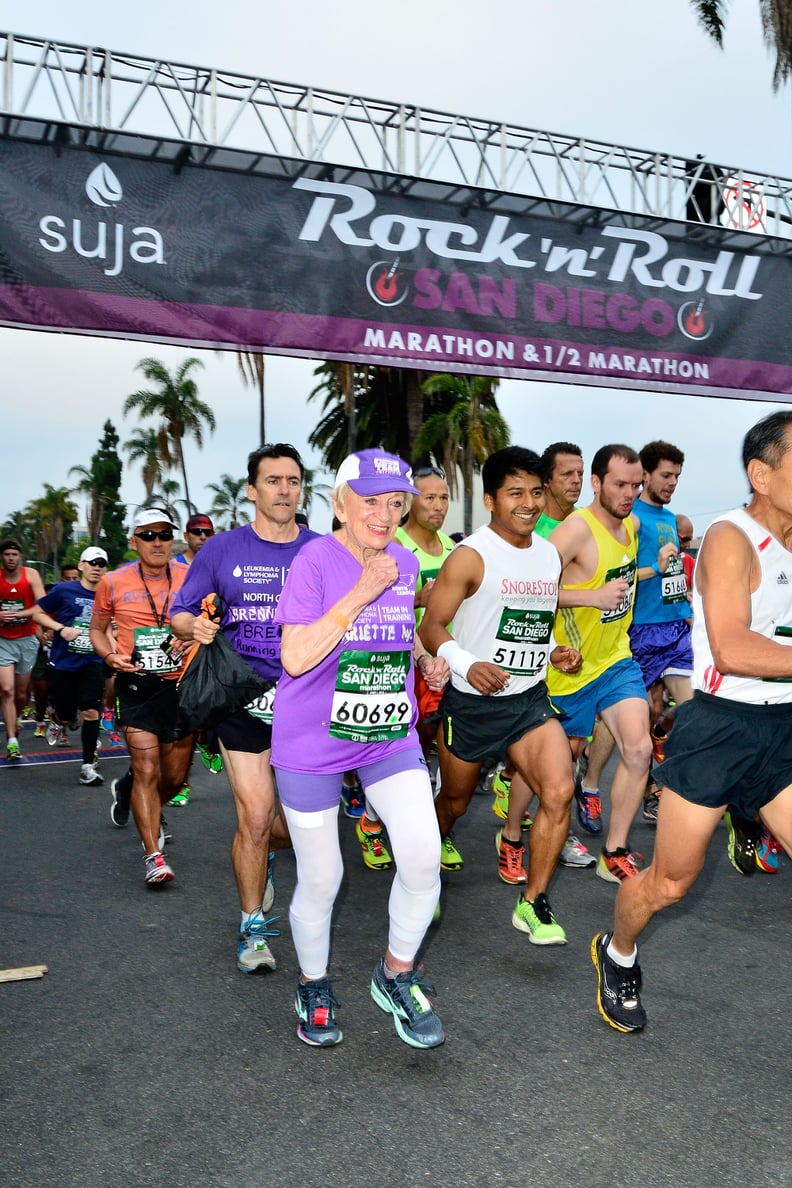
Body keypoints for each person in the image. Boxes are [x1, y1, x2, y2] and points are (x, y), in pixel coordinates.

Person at [592, 410, 792, 1032]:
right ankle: (617, 953)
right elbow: (731, 647)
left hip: (783, 726)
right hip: (720, 727)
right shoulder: (731, 537)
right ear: (762, 474)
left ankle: (749, 825)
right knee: (672, 883)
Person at [270, 448, 447, 1049]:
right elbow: (294, 658)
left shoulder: (403, 559)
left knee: (423, 857)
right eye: (370, 500)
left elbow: (396, 638)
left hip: (384, 733)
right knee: (323, 877)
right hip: (311, 738)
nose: (385, 513)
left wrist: (426, 658)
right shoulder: (314, 561)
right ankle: (313, 984)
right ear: (339, 503)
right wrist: (361, 593)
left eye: (397, 502)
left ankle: (395, 975)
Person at [420, 446, 581, 942]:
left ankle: (533, 903)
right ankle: (422, 873)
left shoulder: (549, 555)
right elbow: (432, 626)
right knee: (454, 803)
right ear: (491, 498)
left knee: (558, 790)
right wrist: (470, 664)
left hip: (528, 701)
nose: (529, 502)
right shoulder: (470, 556)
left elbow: (533, 622)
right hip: (471, 703)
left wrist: (553, 650)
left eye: (536, 491)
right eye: (516, 492)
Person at [171, 444, 317, 974]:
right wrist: (196, 627)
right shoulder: (221, 550)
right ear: (252, 490)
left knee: (291, 827)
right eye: (273, 481)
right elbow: (180, 613)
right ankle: (252, 925)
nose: (284, 490)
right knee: (255, 817)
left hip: (307, 698)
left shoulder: (322, 550)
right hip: (242, 695)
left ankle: (265, 858)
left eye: (293, 481)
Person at [547, 445, 654, 882]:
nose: (630, 493)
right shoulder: (575, 530)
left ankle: (614, 851)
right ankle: (514, 833)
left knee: (640, 748)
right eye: (620, 485)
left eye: (636, 485)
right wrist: (590, 597)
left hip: (615, 660)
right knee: (553, 770)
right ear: (596, 483)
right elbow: (527, 587)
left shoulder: (635, 523)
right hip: (569, 666)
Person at [89, 510, 192, 887]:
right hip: (137, 685)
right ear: (135, 541)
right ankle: (154, 856)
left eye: (164, 534)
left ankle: (133, 793)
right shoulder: (113, 582)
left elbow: (211, 619)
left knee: (176, 779)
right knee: (147, 768)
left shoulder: (189, 576)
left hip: (181, 686)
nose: (157, 542)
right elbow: (98, 630)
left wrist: (194, 635)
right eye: (148, 535)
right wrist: (108, 655)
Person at [31, 547, 110, 784]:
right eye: (93, 562)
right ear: (81, 565)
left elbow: (109, 627)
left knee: (90, 711)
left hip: (92, 661)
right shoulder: (64, 590)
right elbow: (37, 613)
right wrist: (60, 629)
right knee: (66, 714)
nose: (97, 567)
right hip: (64, 662)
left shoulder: (108, 593)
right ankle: (57, 719)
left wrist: (112, 652)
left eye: (102, 563)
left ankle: (88, 766)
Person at [168, 513, 217, 805]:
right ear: (186, 535)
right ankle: (182, 784)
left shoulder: (215, 565)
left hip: (206, 647)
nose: (202, 536)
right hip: (174, 648)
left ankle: (207, 741)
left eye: (207, 532)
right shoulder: (173, 568)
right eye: (197, 532)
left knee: (204, 712)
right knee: (182, 718)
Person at [0, 538, 46, 761]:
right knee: (6, 690)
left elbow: (43, 603)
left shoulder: (32, 575)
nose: (11, 558)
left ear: (20, 557)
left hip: (27, 639)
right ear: (2, 557)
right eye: (7, 554)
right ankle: (12, 741)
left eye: (14, 555)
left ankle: (15, 719)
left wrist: (20, 615)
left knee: (20, 694)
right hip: (3, 640)